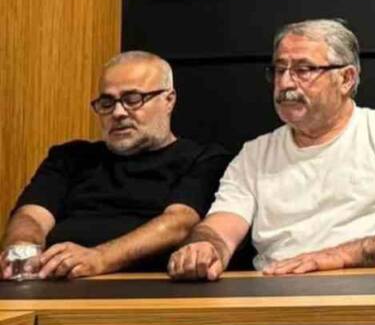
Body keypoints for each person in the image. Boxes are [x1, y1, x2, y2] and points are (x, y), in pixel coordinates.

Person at [168, 19, 375, 280]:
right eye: (279, 70)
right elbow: (220, 228)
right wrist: (205, 247)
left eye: (303, 70)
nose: (285, 83)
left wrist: (336, 257)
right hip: (279, 296)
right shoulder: (255, 154)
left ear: (346, 78)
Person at [1, 51, 229, 279]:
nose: (118, 113)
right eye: (107, 103)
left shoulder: (203, 158)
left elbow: (179, 223)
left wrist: (100, 258)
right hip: (52, 283)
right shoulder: (69, 157)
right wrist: (22, 250)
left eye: (133, 99)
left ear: (168, 100)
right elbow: (31, 216)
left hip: (147, 288)